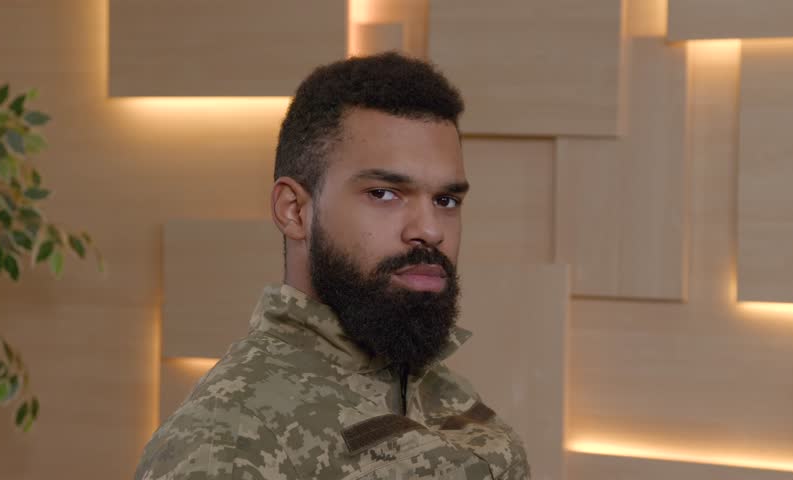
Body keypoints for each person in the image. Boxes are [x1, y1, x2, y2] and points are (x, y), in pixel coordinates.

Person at [135, 52, 530, 480]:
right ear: (295, 211)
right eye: (384, 193)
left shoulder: (450, 396)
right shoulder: (225, 445)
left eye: (446, 200)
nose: (431, 230)